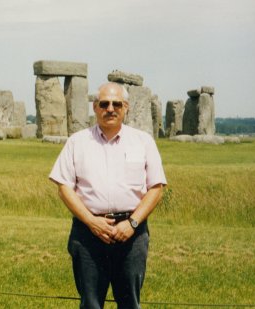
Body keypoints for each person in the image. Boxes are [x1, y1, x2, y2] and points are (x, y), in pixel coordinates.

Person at [49, 82, 167, 309]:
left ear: (126, 107)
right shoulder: (77, 142)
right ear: (95, 107)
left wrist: (132, 223)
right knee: (90, 303)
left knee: (130, 303)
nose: (110, 109)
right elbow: (64, 186)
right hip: (87, 231)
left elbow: (156, 188)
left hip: (132, 232)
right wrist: (91, 221)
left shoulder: (144, 141)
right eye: (104, 104)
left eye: (117, 104)